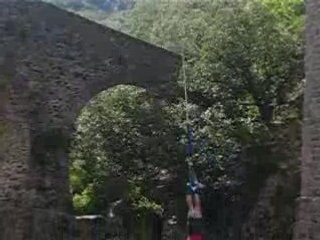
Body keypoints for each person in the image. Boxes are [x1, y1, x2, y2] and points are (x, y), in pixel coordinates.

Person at [186, 165, 204, 240]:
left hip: (193, 233)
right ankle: (192, 188)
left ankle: (192, 188)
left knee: (194, 208)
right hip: (195, 233)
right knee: (195, 208)